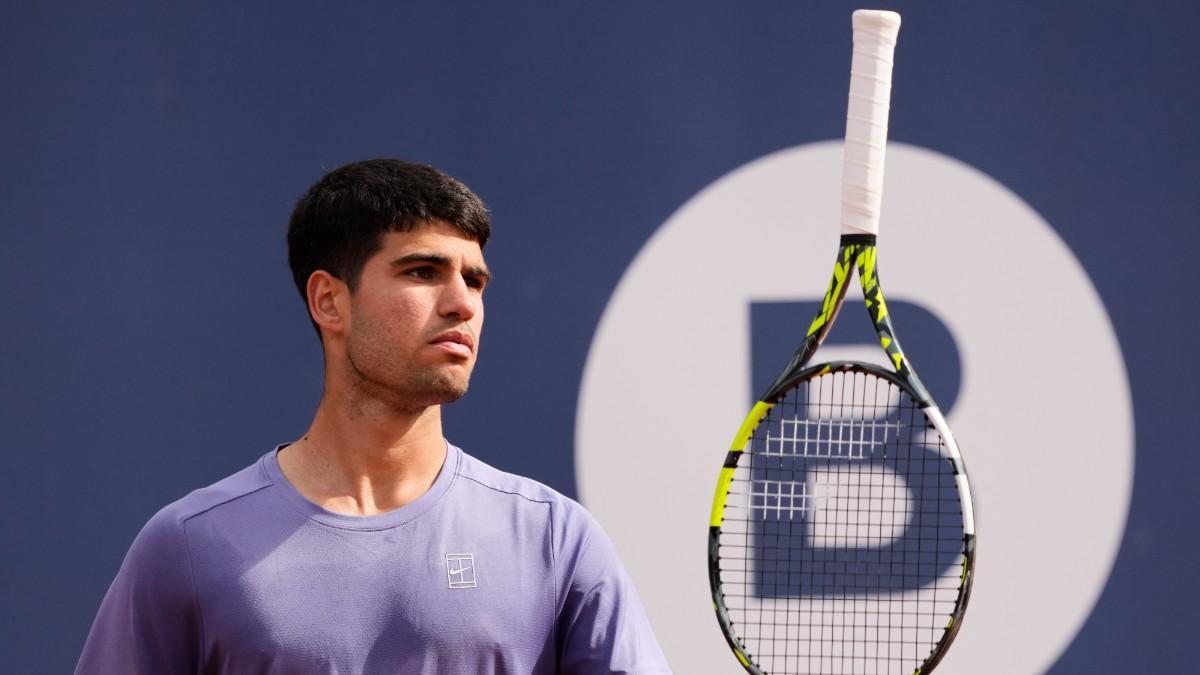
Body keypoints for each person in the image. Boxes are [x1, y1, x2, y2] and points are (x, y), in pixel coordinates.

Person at [76, 159, 671, 674]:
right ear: (329, 301)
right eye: (423, 272)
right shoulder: (188, 546)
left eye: (475, 279)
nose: (463, 302)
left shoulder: (554, 540)